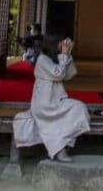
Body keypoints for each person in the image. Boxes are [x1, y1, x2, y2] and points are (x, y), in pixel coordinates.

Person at [13, 34, 90, 162]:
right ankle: (60, 149)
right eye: (61, 43)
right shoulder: (42, 59)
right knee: (76, 108)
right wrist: (64, 56)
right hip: (45, 104)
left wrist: (68, 54)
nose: (62, 46)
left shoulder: (54, 58)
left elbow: (70, 74)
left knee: (79, 108)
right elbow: (58, 74)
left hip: (55, 101)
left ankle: (61, 145)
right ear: (53, 44)